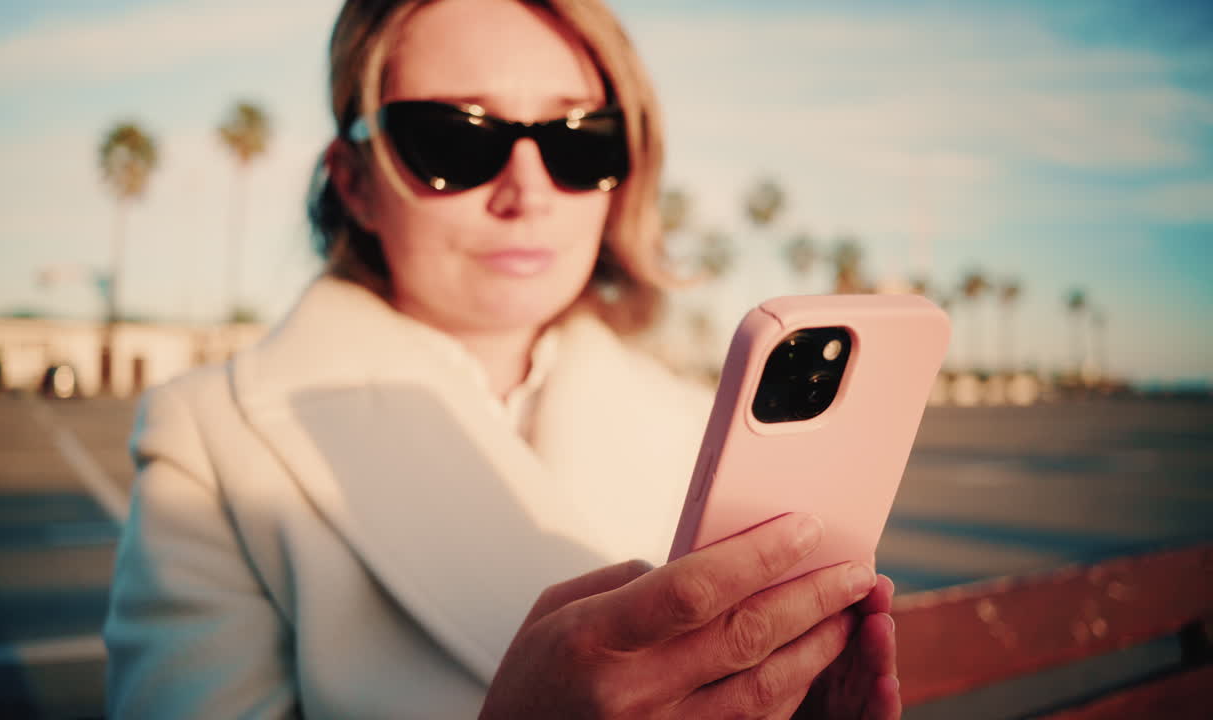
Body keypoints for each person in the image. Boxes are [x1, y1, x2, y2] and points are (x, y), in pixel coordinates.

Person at [103, 0, 901, 717]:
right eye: (453, 139)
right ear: (353, 184)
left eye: (578, 141)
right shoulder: (210, 440)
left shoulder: (704, 424)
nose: (528, 189)